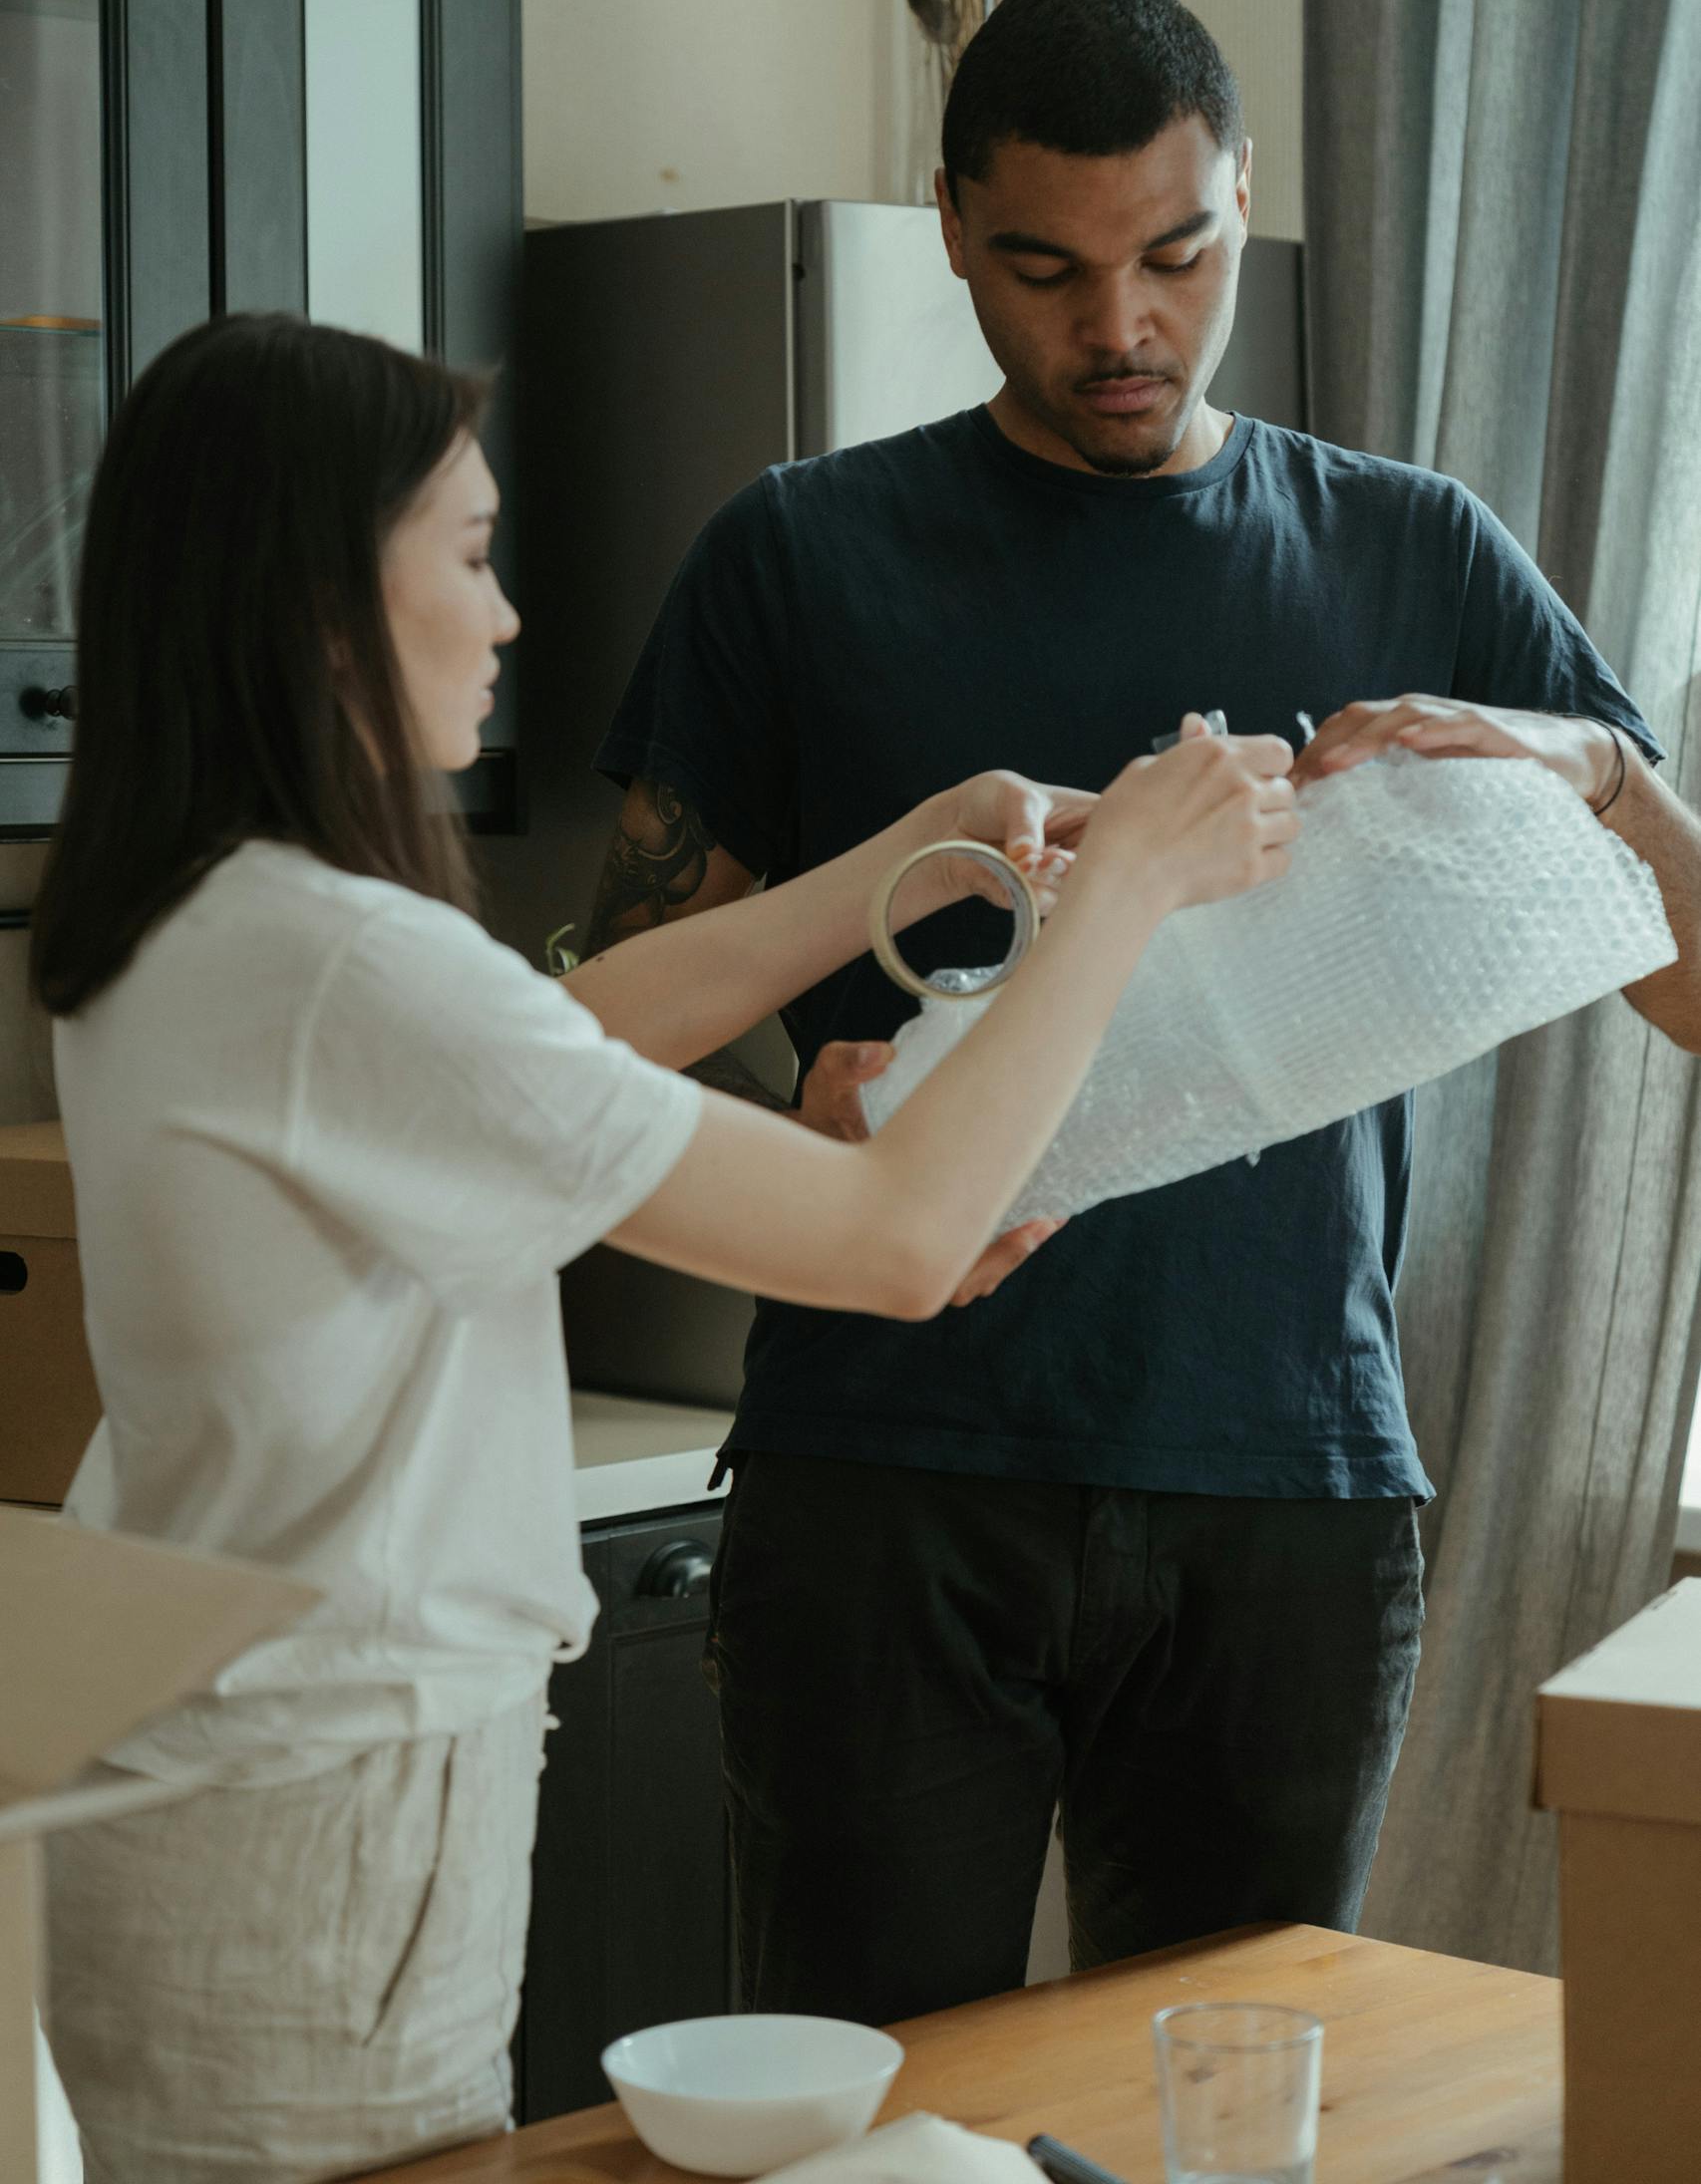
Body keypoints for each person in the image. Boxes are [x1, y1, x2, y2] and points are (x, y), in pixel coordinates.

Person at [29, 311, 1295, 2184]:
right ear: (316, 610)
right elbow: (894, 1231)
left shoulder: (201, 921)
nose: (512, 614)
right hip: (325, 1825)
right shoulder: (335, 963)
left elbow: (581, 1023)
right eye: (467, 553)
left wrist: (930, 847)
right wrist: (1124, 891)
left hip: (230, 1785)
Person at [585, 0, 1701, 2026]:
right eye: (1045, 268)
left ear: (1241, 202)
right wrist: (790, 1103)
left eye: (1177, 256)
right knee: (858, 2120)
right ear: (951, 231)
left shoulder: (1412, 546)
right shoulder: (797, 554)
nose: (1119, 324)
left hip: (1281, 1477)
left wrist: (1603, 772)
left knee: (1243, 2127)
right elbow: (593, 1019)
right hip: (884, 1468)